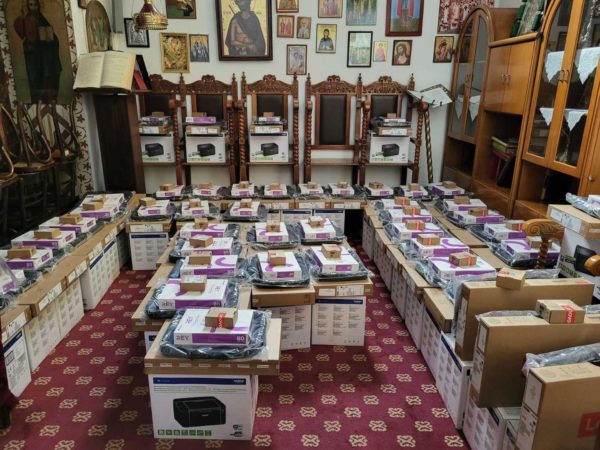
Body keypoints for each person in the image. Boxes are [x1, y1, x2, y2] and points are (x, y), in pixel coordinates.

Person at [13, 0, 62, 103]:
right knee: (38, 90)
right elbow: (26, 40)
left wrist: (50, 40)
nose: (34, 7)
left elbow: (54, 39)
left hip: (47, 62)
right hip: (35, 63)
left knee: (49, 87)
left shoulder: (42, 19)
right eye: (31, 5)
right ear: (27, 6)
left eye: (35, 5)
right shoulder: (25, 20)